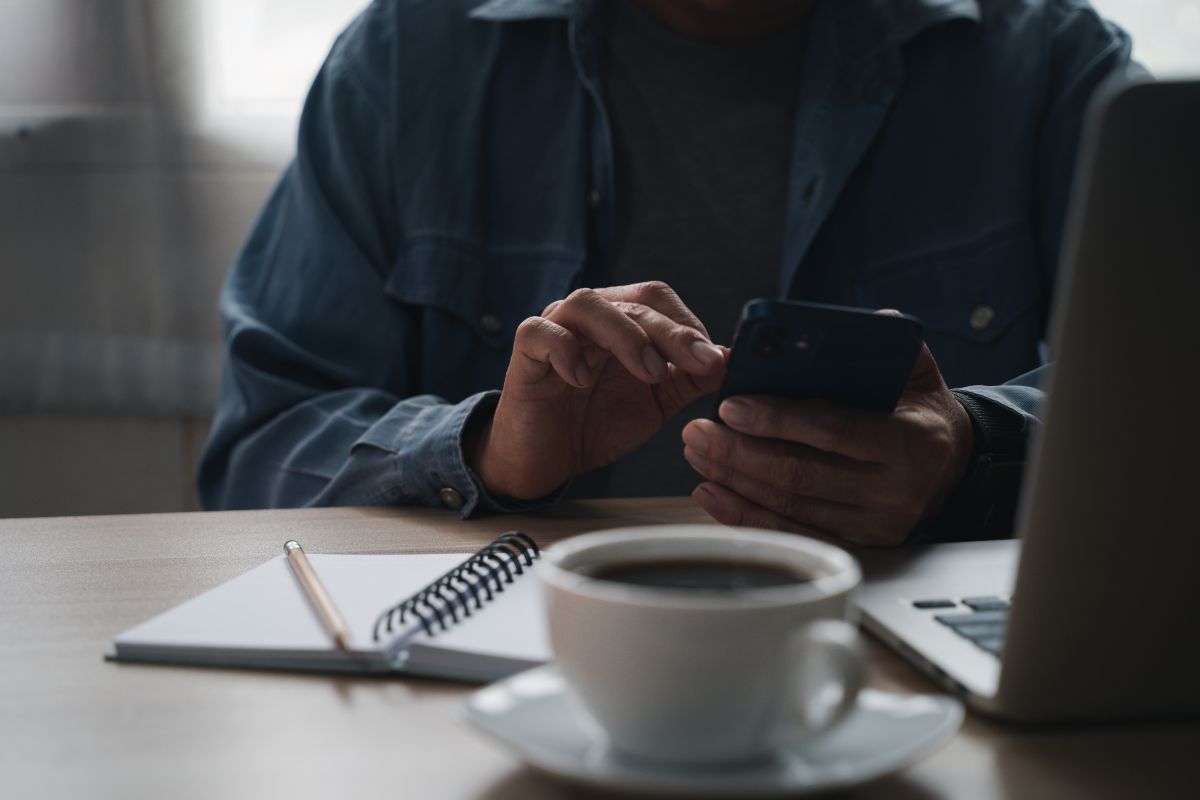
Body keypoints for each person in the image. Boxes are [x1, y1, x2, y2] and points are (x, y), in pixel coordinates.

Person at [198, 0, 1134, 545]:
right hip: (500, 693)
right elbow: (259, 451)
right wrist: (483, 449)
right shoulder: (409, 59)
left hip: (906, 675)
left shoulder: (1044, 63)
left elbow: (1168, 412)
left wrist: (974, 449)